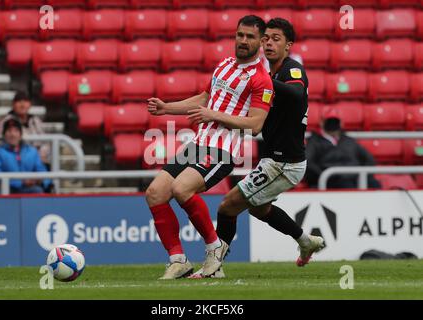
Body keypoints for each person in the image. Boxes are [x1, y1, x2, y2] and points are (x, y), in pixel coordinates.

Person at [146, 15, 274, 280]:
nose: (243, 40)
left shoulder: (262, 79)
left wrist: (214, 115)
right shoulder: (225, 65)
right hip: (199, 143)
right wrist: (167, 108)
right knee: (155, 192)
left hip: (223, 149)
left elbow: (256, 125)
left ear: (261, 41)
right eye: (240, 35)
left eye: (250, 37)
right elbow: (205, 99)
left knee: (181, 189)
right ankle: (178, 260)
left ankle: (215, 247)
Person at [199, 18, 325, 278]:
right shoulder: (268, 73)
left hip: (285, 162)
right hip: (273, 159)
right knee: (258, 208)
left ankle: (214, 266)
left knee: (227, 206)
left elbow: (296, 95)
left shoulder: (292, 70)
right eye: (266, 38)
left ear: (288, 46)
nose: (269, 43)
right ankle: (305, 241)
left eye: (276, 39)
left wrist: (262, 81)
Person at [305, 109, 381, 189]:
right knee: (346, 185)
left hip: (354, 177)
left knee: (374, 184)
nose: (332, 124)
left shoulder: (349, 141)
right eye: (330, 121)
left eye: (335, 121)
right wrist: (323, 174)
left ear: (341, 123)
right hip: (331, 180)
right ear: (322, 122)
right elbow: (308, 162)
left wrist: (362, 175)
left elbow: (369, 159)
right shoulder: (314, 141)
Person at [0, 117, 52, 194]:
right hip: (2, 191)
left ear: (20, 134)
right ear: (3, 135)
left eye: (16, 131)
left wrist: (41, 181)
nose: (12, 134)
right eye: (9, 131)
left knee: (39, 191)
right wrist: (21, 182)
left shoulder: (31, 151)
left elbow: (42, 171)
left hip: (28, 189)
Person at [0, 91, 50, 168]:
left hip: (38, 158)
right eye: (19, 101)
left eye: (25, 101)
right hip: (15, 159)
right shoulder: (6, 121)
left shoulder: (35, 120)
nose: (22, 105)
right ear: (13, 104)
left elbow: (45, 141)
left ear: (30, 104)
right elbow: (1, 144)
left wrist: (38, 155)